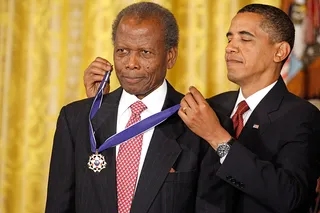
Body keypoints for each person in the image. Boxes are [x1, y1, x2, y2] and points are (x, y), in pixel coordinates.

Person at [46, 2, 233, 213]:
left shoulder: (202, 124)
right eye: (122, 51)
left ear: (170, 57)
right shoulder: (77, 119)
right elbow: (59, 205)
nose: (130, 63)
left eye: (145, 52)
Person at [178, 4, 320, 213]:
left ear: (280, 51)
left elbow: (289, 196)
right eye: (229, 38)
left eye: (245, 39)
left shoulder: (302, 116)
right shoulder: (211, 107)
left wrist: (217, 137)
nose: (230, 48)